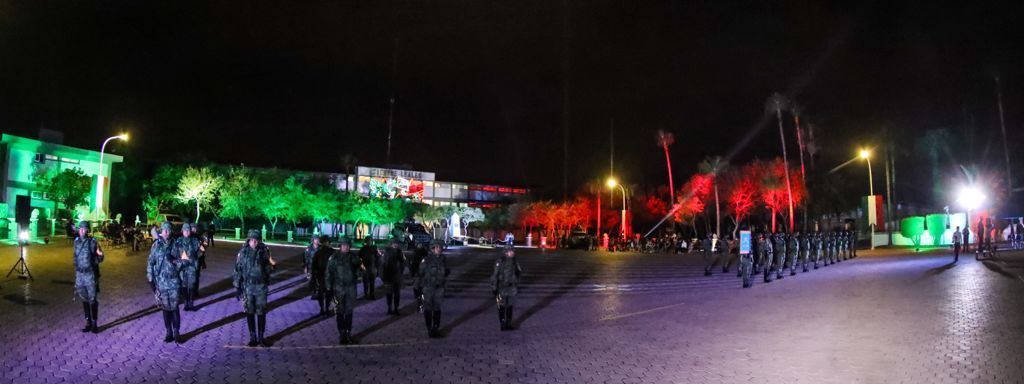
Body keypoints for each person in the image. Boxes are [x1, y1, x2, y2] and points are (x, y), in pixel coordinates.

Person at [233, 229, 275, 347]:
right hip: (248, 287)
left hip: (261, 286)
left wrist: (272, 267)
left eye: (256, 240)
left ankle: (261, 337)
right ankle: (253, 337)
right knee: (250, 311)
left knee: (261, 312)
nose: (254, 242)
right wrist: (237, 287)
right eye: (252, 240)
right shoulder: (243, 252)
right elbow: (237, 269)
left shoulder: (264, 251)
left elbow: (270, 266)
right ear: (248, 240)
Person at [147, 222, 184, 343]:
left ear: (171, 231)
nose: (166, 232)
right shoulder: (156, 246)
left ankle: (177, 332)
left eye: (168, 230)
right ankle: (168, 332)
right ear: (161, 231)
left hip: (174, 282)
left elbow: (186, 261)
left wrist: (175, 260)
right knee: (165, 308)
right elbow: (150, 262)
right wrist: (150, 278)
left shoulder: (177, 245)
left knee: (174, 308)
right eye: (164, 230)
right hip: (161, 282)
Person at [325, 237, 365, 344]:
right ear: (340, 246)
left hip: (350, 289)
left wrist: (360, 271)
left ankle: (348, 333)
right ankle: (341, 334)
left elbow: (359, 271)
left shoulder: (354, 257)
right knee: (339, 312)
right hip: (338, 289)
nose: (346, 247)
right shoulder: (334, 258)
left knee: (349, 312)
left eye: (347, 245)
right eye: (343, 245)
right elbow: (328, 273)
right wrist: (328, 287)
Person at [72, 221, 104, 333]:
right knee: (84, 299)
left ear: (87, 230)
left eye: (83, 228)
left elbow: (100, 258)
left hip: (90, 275)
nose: (81, 230)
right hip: (80, 275)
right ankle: (88, 322)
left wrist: (98, 257)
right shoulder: (76, 242)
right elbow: (75, 257)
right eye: (80, 228)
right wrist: (76, 270)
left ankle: (95, 323)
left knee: (92, 299)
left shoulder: (93, 242)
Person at [415, 240, 450, 338]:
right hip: (428, 288)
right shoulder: (427, 260)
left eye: (440, 247)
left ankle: (436, 328)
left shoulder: (443, 259)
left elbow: (445, 271)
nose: (440, 249)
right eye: (438, 247)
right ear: (432, 248)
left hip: (439, 288)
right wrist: (417, 287)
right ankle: (429, 329)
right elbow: (420, 274)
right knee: (428, 309)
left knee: (437, 308)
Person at [491, 244, 522, 329]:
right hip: (501, 288)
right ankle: (502, 323)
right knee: (501, 306)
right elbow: (495, 275)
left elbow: (519, 271)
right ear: (505, 252)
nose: (512, 253)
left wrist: (516, 279)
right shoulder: (500, 261)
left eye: (512, 251)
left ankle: (509, 323)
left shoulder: (515, 261)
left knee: (510, 306)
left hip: (511, 288)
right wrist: (494, 288)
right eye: (510, 251)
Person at [175, 223, 205, 311]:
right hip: (182, 267)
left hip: (192, 266)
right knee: (184, 285)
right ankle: (185, 302)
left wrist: (195, 257)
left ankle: (191, 303)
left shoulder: (195, 240)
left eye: (188, 230)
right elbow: (175, 252)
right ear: (182, 231)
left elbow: (202, 251)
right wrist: (179, 259)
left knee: (191, 285)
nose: (187, 232)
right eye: (185, 230)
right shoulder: (179, 241)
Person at [382, 238, 407, 315]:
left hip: (397, 276)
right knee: (389, 293)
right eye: (394, 243)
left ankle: (396, 308)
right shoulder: (387, 252)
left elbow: (403, 263)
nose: (395, 245)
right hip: (389, 276)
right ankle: (389, 308)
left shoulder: (400, 252)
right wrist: (383, 276)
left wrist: (401, 273)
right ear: (391, 244)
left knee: (397, 293)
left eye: (396, 243)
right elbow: (383, 265)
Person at [311, 236, 335, 316]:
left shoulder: (333, 252)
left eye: (327, 242)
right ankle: (322, 308)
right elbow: (314, 265)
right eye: (324, 242)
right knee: (321, 294)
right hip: (320, 276)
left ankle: (327, 308)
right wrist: (313, 276)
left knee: (329, 294)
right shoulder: (318, 253)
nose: (325, 243)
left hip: (330, 276)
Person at [304, 235, 325, 300]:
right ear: (313, 240)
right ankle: (313, 293)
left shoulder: (321, 248)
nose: (317, 240)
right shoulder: (309, 248)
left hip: (319, 268)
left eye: (318, 239)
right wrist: (305, 267)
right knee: (312, 281)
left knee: (319, 281)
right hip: (311, 267)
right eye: (316, 239)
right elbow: (306, 258)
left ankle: (318, 294)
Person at [410, 242, 427, 312]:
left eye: (421, 245)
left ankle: (421, 303)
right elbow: (412, 264)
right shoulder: (415, 253)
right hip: (417, 273)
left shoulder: (425, 253)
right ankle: (418, 298)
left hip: (423, 273)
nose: (420, 246)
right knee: (416, 286)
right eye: (419, 244)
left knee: (421, 287)